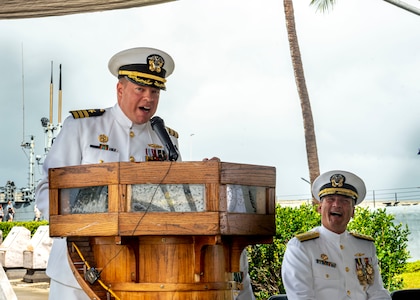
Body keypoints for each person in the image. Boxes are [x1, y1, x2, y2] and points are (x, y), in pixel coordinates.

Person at [35, 47, 254, 299]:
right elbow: (47, 190)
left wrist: (206, 176)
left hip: (144, 275)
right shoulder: (83, 127)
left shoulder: (165, 139)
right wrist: (87, 222)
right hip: (80, 269)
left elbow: (178, 204)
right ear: (120, 89)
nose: (148, 98)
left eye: (155, 91)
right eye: (140, 89)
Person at [281, 170, 391, 300]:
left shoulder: (365, 246)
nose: (337, 205)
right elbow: (301, 297)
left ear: (353, 212)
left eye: (345, 201)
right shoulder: (301, 247)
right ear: (320, 208)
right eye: (330, 199)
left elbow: (376, 291)